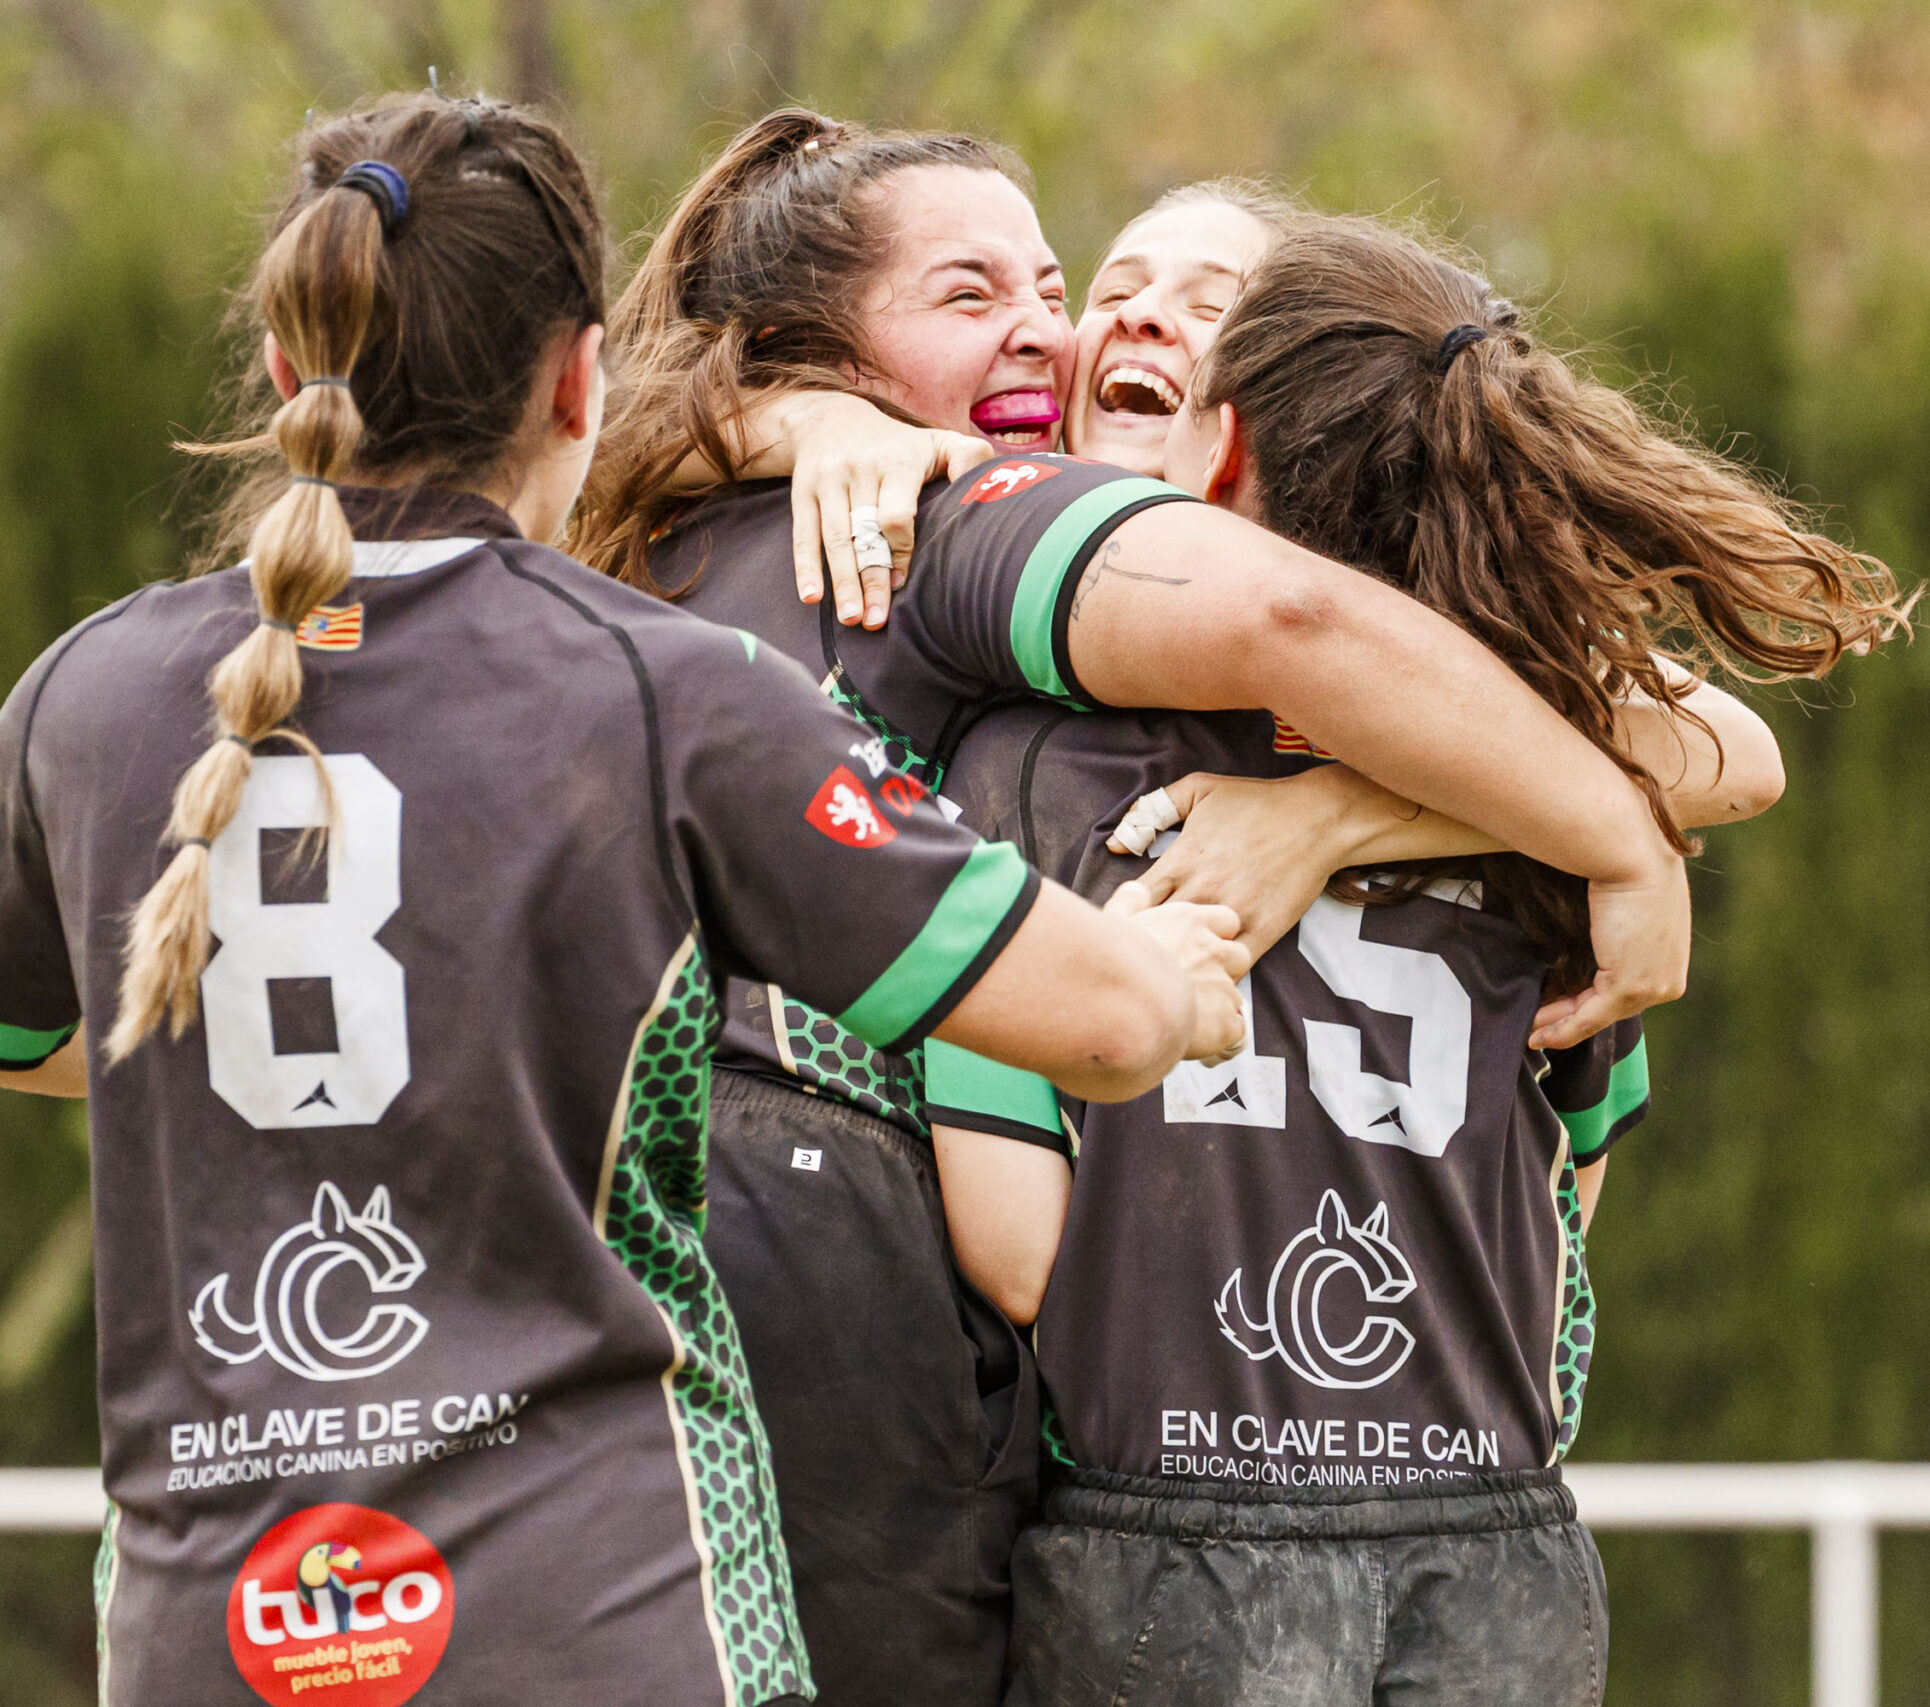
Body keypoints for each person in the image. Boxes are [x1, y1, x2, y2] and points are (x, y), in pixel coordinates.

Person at [0, 92, 1253, 1707]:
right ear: (579, 378)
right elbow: (1093, 1025)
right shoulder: (666, 692)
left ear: (283, 366)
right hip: (597, 1614)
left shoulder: (89, 691)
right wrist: (1175, 960)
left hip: (218, 1629)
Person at [573, 110, 1700, 1707]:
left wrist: (1337, 817)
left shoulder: (1040, 729)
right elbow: (1663, 770)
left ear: (1259, 418)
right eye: (1002, 293)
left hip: (1117, 1497)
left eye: (1062, 283)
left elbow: (1685, 740)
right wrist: (1626, 847)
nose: (1079, 323)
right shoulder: (977, 553)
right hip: (1455, 1523)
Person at [919, 213, 1908, 1706]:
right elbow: (1573, 1201)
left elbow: (1012, 1250)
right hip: (1494, 1543)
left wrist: (1310, 834)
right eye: (1108, 289)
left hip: (1164, 1544)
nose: (1133, 320)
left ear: (1227, 439)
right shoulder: (1544, 799)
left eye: (1200, 304)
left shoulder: (1017, 763)